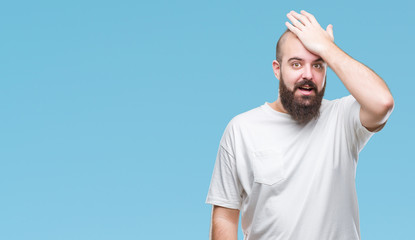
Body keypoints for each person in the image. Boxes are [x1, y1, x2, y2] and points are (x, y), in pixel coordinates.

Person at [205, 10, 394, 240]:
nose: (308, 75)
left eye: (318, 66)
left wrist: (327, 49)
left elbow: (383, 102)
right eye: (296, 64)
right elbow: (224, 215)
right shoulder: (241, 129)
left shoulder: (342, 118)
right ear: (277, 69)